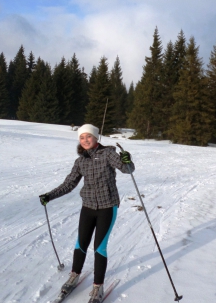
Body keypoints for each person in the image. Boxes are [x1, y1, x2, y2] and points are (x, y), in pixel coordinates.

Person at [38, 124, 134, 303]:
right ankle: (74, 275)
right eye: (82, 137)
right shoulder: (80, 161)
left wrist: (128, 160)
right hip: (88, 206)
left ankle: (98, 286)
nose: (85, 140)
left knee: (99, 246)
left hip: (107, 206)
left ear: (96, 137)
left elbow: (127, 170)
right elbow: (69, 184)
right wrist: (49, 196)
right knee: (81, 242)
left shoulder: (108, 154)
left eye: (89, 136)